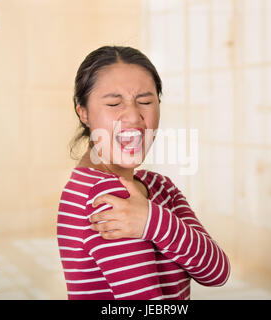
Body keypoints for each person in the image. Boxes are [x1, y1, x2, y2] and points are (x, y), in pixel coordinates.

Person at [57, 45, 230, 300]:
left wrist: (152, 221)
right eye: (114, 103)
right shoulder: (105, 197)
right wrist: (155, 222)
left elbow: (217, 271)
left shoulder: (160, 186)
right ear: (83, 112)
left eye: (146, 101)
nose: (133, 117)